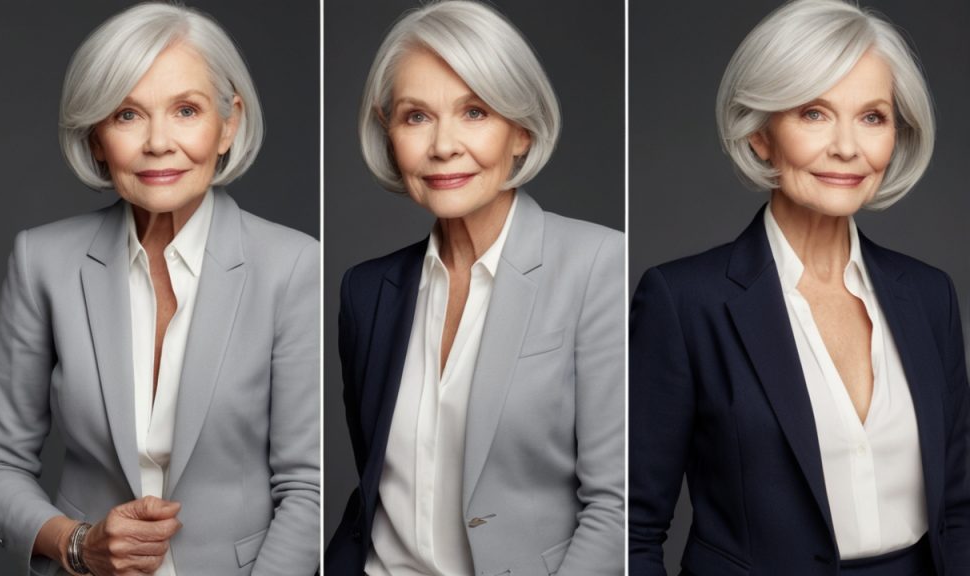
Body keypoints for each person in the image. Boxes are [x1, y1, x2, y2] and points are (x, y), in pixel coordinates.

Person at [0, 3, 319, 575]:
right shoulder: (42, 260)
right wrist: (78, 544)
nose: (158, 142)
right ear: (98, 138)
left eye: (186, 110)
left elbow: (309, 487)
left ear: (228, 123)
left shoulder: (294, 265)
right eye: (128, 115)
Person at [629, 0, 970, 574]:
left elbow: (960, 507)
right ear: (761, 134)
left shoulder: (929, 294)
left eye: (872, 116)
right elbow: (634, 528)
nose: (846, 147)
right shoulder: (684, 302)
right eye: (814, 113)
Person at [324, 2, 625, 575]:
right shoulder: (366, 292)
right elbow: (375, 492)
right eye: (416, 117)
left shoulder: (599, 265)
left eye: (475, 112)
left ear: (521, 131)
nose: (443, 146)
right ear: (389, 134)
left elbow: (615, 506)